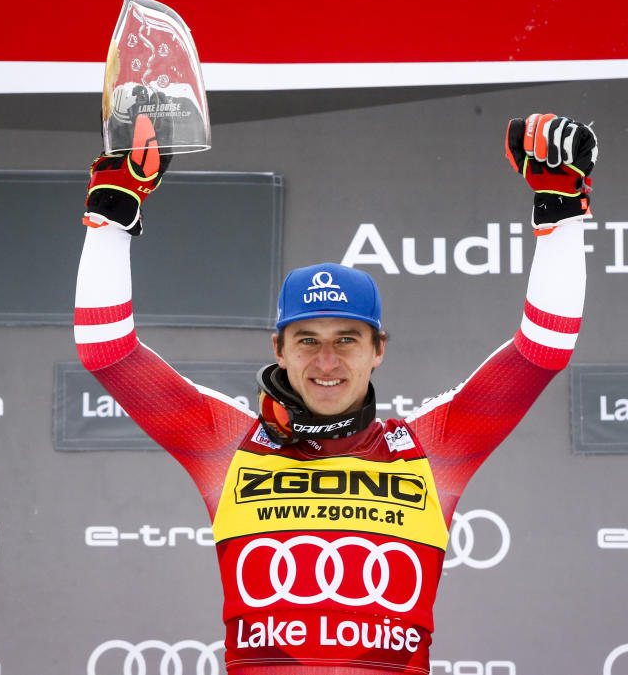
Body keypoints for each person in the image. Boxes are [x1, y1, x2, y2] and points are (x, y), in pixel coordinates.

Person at [75, 112, 597, 674]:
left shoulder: (430, 448)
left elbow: (541, 351)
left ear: (378, 350)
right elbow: (108, 352)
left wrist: (562, 213)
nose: (327, 361)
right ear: (279, 348)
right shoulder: (227, 444)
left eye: (347, 339)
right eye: (308, 340)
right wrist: (111, 217)